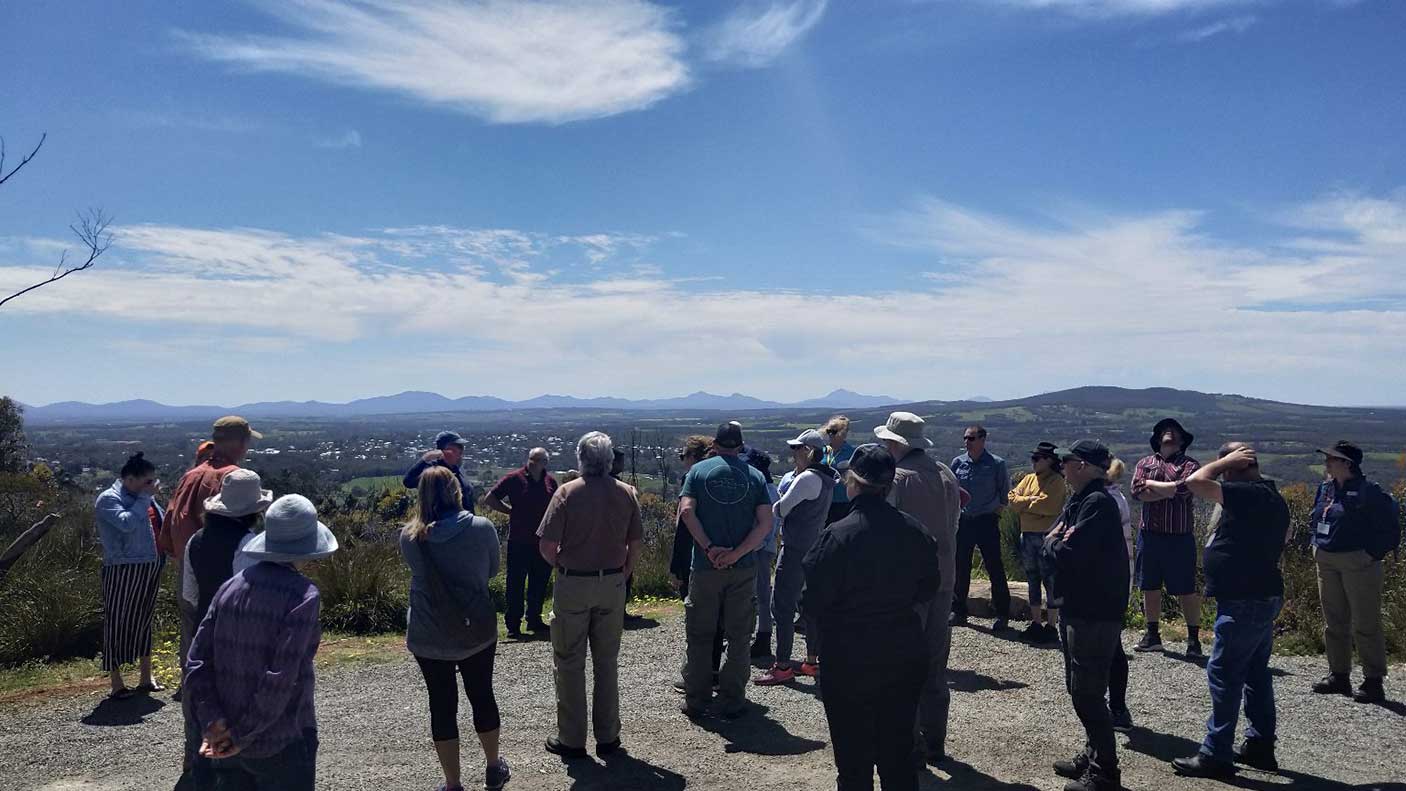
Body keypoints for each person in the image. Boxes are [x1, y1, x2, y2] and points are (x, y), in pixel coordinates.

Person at [803, 444, 940, 791]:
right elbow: (928, 588)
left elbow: (812, 602)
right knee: (898, 757)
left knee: (853, 763)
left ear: (853, 482)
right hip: (903, 653)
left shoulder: (836, 536)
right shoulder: (915, 532)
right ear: (888, 485)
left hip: (849, 659)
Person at [185, 494, 338, 791]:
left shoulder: (231, 587)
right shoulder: (304, 596)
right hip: (282, 740)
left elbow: (197, 660)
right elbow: (281, 679)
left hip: (224, 734)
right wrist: (242, 736)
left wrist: (214, 722)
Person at [1172, 443, 1290, 778]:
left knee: (1224, 674)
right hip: (1258, 596)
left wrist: (1221, 462)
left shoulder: (1251, 494)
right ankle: (1260, 745)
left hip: (1244, 599)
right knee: (1255, 673)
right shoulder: (1266, 495)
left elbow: (1195, 482)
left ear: (1237, 466)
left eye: (1228, 463)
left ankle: (1216, 753)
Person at [402, 467, 509, 791]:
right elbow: (492, 571)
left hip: (428, 631)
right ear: (457, 491)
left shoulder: (410, 536)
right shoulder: (482, 528)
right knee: (482, 695)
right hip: (476, 627)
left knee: (442, 704)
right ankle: (493, 766)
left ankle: (453, 783)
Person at [537, 432, 643, 759]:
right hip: (612, 583)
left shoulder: (567, 493)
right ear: (610, 460)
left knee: (569, 661)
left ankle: (572, 739)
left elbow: (546, 546)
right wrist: (623, 572)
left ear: (581, 458)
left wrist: (564, 566)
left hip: (574, 582)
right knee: (606, 662)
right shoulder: (627, 493)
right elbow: (635, 543)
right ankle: (608, 737)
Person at [176, 467, 273, 790]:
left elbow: (189, 596)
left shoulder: (195, 541)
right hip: (238, 648)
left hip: (203, 643)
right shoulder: (249, 544)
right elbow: (250, 600)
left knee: (205, 717)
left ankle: (201, 774)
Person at [877, 412, 961, 767]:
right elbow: (954, 525)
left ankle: (908, 745)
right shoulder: (945, 473)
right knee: (934, 664)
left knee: (901, 667)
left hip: (906, 587)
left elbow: (885, 534)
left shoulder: (896, 479)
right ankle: (934, 741)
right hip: (943, 578)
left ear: (896, 444)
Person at [1043, 440, 1128, 791]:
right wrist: (1055, 542)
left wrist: (1054, 543)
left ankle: (1105, 772)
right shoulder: (1080, 500)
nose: (1062, 466)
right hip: (1080, 606)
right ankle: (1094, 754)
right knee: (1079, 687)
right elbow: (1054, 541)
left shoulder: (1096, 503)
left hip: (1095, 610)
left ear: (1085, 466)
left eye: (1068, 461)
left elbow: (1065, 550)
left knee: (1087, 692)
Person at [678, 421, 773, 719]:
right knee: (739, 635)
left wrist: (708, 547)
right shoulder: (756, 476)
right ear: (740, 447)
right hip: (742, 567)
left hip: (705, 566)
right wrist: (737, 553)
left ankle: (697, 699)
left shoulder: (698, 472)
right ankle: (732, 699)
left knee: (701, 634)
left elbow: (686, 510)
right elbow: (765, 524)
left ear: (715, 445)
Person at [161, 416, 258, 688]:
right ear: (240, 443)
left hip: (189, 558)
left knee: (192, 622)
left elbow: (171, 517)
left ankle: (190, 678)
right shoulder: (230, 476)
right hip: (224, 563)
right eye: (247, 441)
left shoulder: (190, 474)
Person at [1309, 441, 1400, 704]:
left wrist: (1371, 554)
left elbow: (1390, 529)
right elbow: (1317, 517)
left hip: (1358, 561)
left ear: (1348, 464)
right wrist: (1315, 545)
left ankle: (1373, 681)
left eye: (1332, 458)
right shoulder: (1325, 488)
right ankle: (1339, 675)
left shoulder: (1368, 491)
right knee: (1334, 621)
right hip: (1326, 559)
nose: (1326, 462)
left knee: (1365, 622)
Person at [754, 429, 834, 686]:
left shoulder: (806, 479)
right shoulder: (828, 477)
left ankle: (783, 664)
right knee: (808, 604)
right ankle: (811, 661)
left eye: (797, 449)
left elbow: (781, 507)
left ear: (808, 451)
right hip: (815, 546)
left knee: (782, 606)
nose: (793, 454)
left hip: (796, 547)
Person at [94, 452, 166, 699]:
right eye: (147, 481)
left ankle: (146, 676)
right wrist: (145, 498)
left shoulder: (142, 497)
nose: (151, 486)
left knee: (144, 619)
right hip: (122, 566)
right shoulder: (108, 499)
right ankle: (116, 682)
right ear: (129, 479)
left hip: (150, 563)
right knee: (117, 621)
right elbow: (125, 523)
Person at [1131, 418, 1204, 656]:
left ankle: (1193, 640)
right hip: (1149, 535)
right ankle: (1152, 635)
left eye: (1174, 431)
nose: (1169, 433)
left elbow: (1183, 490)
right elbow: (1137, 491)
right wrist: (1168, 488)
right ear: (1157, 438)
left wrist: (1153, 485)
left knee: (1186, 589)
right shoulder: (1144, 462)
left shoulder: (1191, 464)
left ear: (1182, 440)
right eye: (1165, 430)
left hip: (1179, 538)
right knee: (1149, 586)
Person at [669, 436, 725, 693]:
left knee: (697, 620)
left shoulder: (693, 479)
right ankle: (713, 670)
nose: (682, 461)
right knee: (718, 619)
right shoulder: (722, 476)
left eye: (683, 456)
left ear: (693, 457)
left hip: (696, 558)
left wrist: (676, 566)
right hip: (726, 556)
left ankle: (695, 674)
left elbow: (684, 527)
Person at [485, 448, 558, 639]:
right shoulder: (513, 478)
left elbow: (557, 507)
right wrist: (510, 511)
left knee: (539, 582)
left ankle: (534, 619)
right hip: (519, 541)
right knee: (515, 584)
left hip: (542, 541)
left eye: (540, 460)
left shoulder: (550, 481)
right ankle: (513, 625)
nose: (536, 463)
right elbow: (490, 498)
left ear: (545, 462)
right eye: (533, 459)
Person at [951, 425, 1012, 629]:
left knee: (995, 566)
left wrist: (997, 511)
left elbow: (1004, 494)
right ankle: (958, 611)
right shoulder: (958, 463)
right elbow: (952, 491)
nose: (967, 442)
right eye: (965, 438)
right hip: (965, 520)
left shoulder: (996, 464)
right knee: (961, 566)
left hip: (987, 520)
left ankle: (1002, 613)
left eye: (971, 438)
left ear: (983, 439)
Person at [1009, 442, 1068, 643]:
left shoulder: (1056, 481)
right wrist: (1030, 501)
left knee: (1050, 581)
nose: (1033, 462)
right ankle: (1036, 623)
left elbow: (1048, 506)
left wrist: (1024, 502)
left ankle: (1051, 626)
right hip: (1027, 536)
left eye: (1037, 458)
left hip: (1046, 537)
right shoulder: (1028, 479)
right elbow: (1012, 501)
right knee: (1032, 579)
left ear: (1049, 461)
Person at [1103, 459, 1135, 733]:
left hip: (1107, 584)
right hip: (1116, 582)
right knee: (1111, 646)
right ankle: (1116, 707)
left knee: (1110, 647)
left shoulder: (1107, 502)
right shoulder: (1115, 498)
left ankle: (1115, 708)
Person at [744, 447, 780, 660]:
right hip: (764, 547)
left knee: (758, 594)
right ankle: (761, 637)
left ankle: (761, 638)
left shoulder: (763, 490)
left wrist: (751, 546)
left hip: (758, 548)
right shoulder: (771, 488)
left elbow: (767, 524)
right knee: (761, 593)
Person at [405, 431, 477, 514]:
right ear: (445, 451)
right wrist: (426, 458)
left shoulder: (456, 469)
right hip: (442, 524)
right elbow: (408, 481)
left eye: (461, 448)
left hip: (465, 523)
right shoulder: (434, 471)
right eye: (458, 448)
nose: (461, 453)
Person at [822, 415, 856, 524]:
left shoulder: (852, 453)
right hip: (823, 500)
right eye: (828, 431)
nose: (830, 435)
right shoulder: (823, 451)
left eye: (834, 431)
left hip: (842, 501)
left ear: (843, 433)